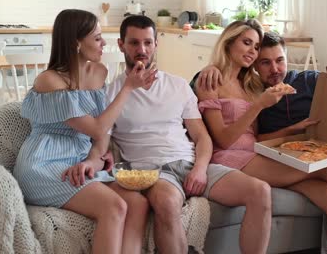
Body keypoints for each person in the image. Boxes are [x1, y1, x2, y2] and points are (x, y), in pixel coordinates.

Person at [194, 19, 327, 254]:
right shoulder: (211, 81)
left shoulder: (249, 84)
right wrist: (258, 105)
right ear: (229, 43)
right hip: (231, 160)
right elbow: (224, 140)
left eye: (255, 46)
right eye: (246, 43)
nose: (251, 50)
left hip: (254, 154)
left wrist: (291, 131)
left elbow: (255, 137)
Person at [106, 15, 271, 254]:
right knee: (167, 202)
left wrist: (200, 169)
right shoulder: (111, 93)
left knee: (260, 191)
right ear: (121, 45)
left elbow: (202, 137)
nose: (141, 49)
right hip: (155, 172)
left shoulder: (178, 85)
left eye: (148, 42)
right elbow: (100, 139)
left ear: (156, 44)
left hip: (191, 163)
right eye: (133, 43)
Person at [195, 31, 327, 198]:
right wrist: (210, 67)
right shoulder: (252, 92)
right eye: (265, 63)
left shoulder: (308, 80)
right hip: (297, 158)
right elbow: (217, 82)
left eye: (280, 60)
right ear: (255, 66)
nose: (275, 69)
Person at [13, 9, 156, 254]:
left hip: (78, 161)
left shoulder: (99, 72)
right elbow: (97, 126)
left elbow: (104, 133)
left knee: (138, 203)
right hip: (44, 164)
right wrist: (128, 88)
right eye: (97, 38)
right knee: (114, 207)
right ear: (76, 43)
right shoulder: (49, 80)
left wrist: (93, 158)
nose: (104, 43)